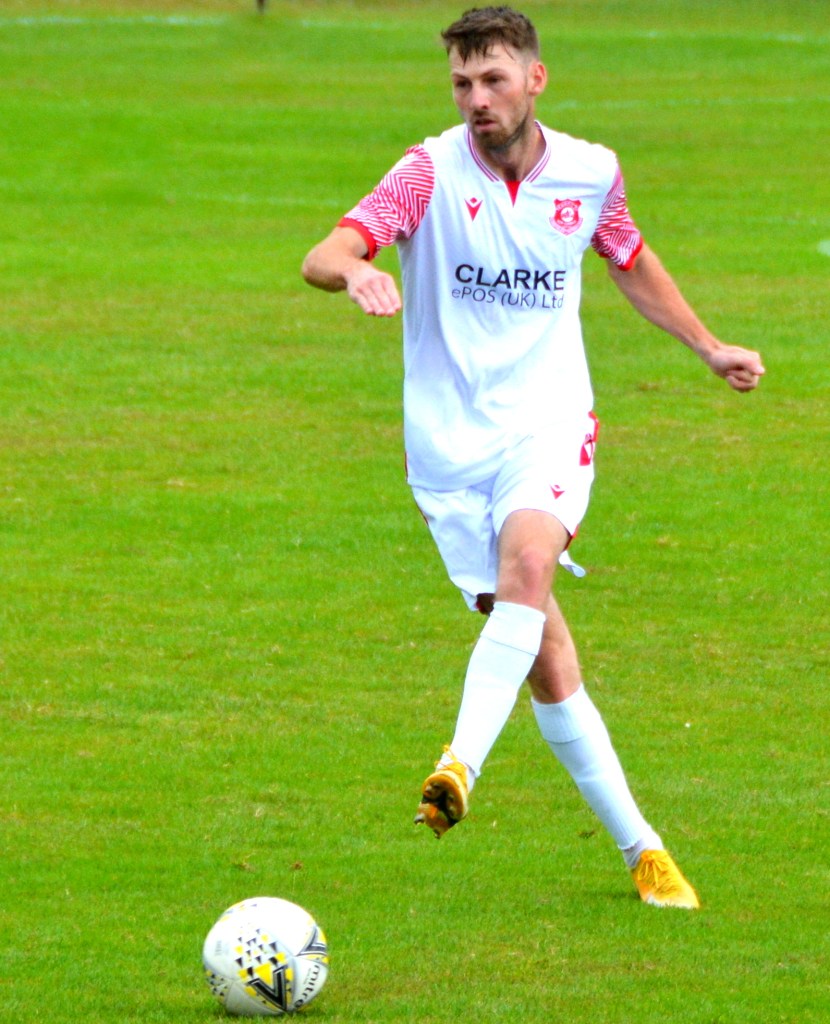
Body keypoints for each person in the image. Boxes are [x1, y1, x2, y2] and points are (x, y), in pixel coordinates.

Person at [301, 6, 764, 909]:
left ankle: (458, 764)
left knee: (529, 562)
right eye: (462, 83)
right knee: (546, 657)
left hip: (547, 421)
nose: (476, 99)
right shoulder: (427, 173)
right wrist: (355, 270)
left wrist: (708, 347)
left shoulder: (590, 173)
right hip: (448, 448)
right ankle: (643, 850)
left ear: (535, 80)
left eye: (493, 80)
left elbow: (628, 258)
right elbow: (326, 250)